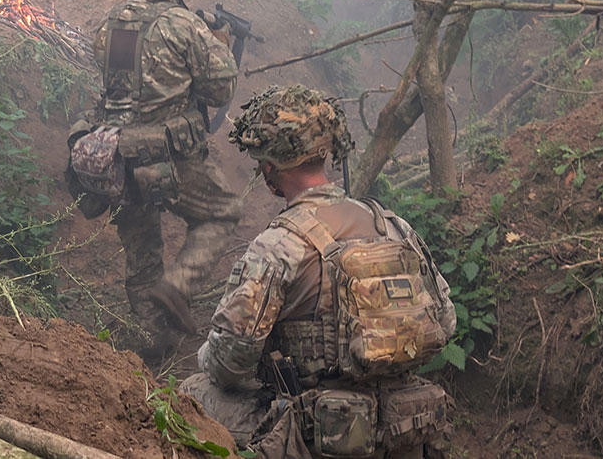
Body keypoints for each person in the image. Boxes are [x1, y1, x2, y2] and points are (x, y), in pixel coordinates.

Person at [182, 85, 457, 459]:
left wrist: (207, 356)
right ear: (324, 154)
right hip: (404, 426)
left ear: (268, 168)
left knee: (192, 394)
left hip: (320, 433)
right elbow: (447, 321)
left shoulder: (279, 244)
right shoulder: (393, 226)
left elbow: (230, 362)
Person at [68, 0, 243, 351]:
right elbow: (219, 90)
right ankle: (178, 288)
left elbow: (123, 80)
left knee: (142, 246)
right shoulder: (184, 24)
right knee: (221, 214)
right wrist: (217, 45)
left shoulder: (111, 20)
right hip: (169, 154)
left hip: (117, 157)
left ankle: (153, 338)